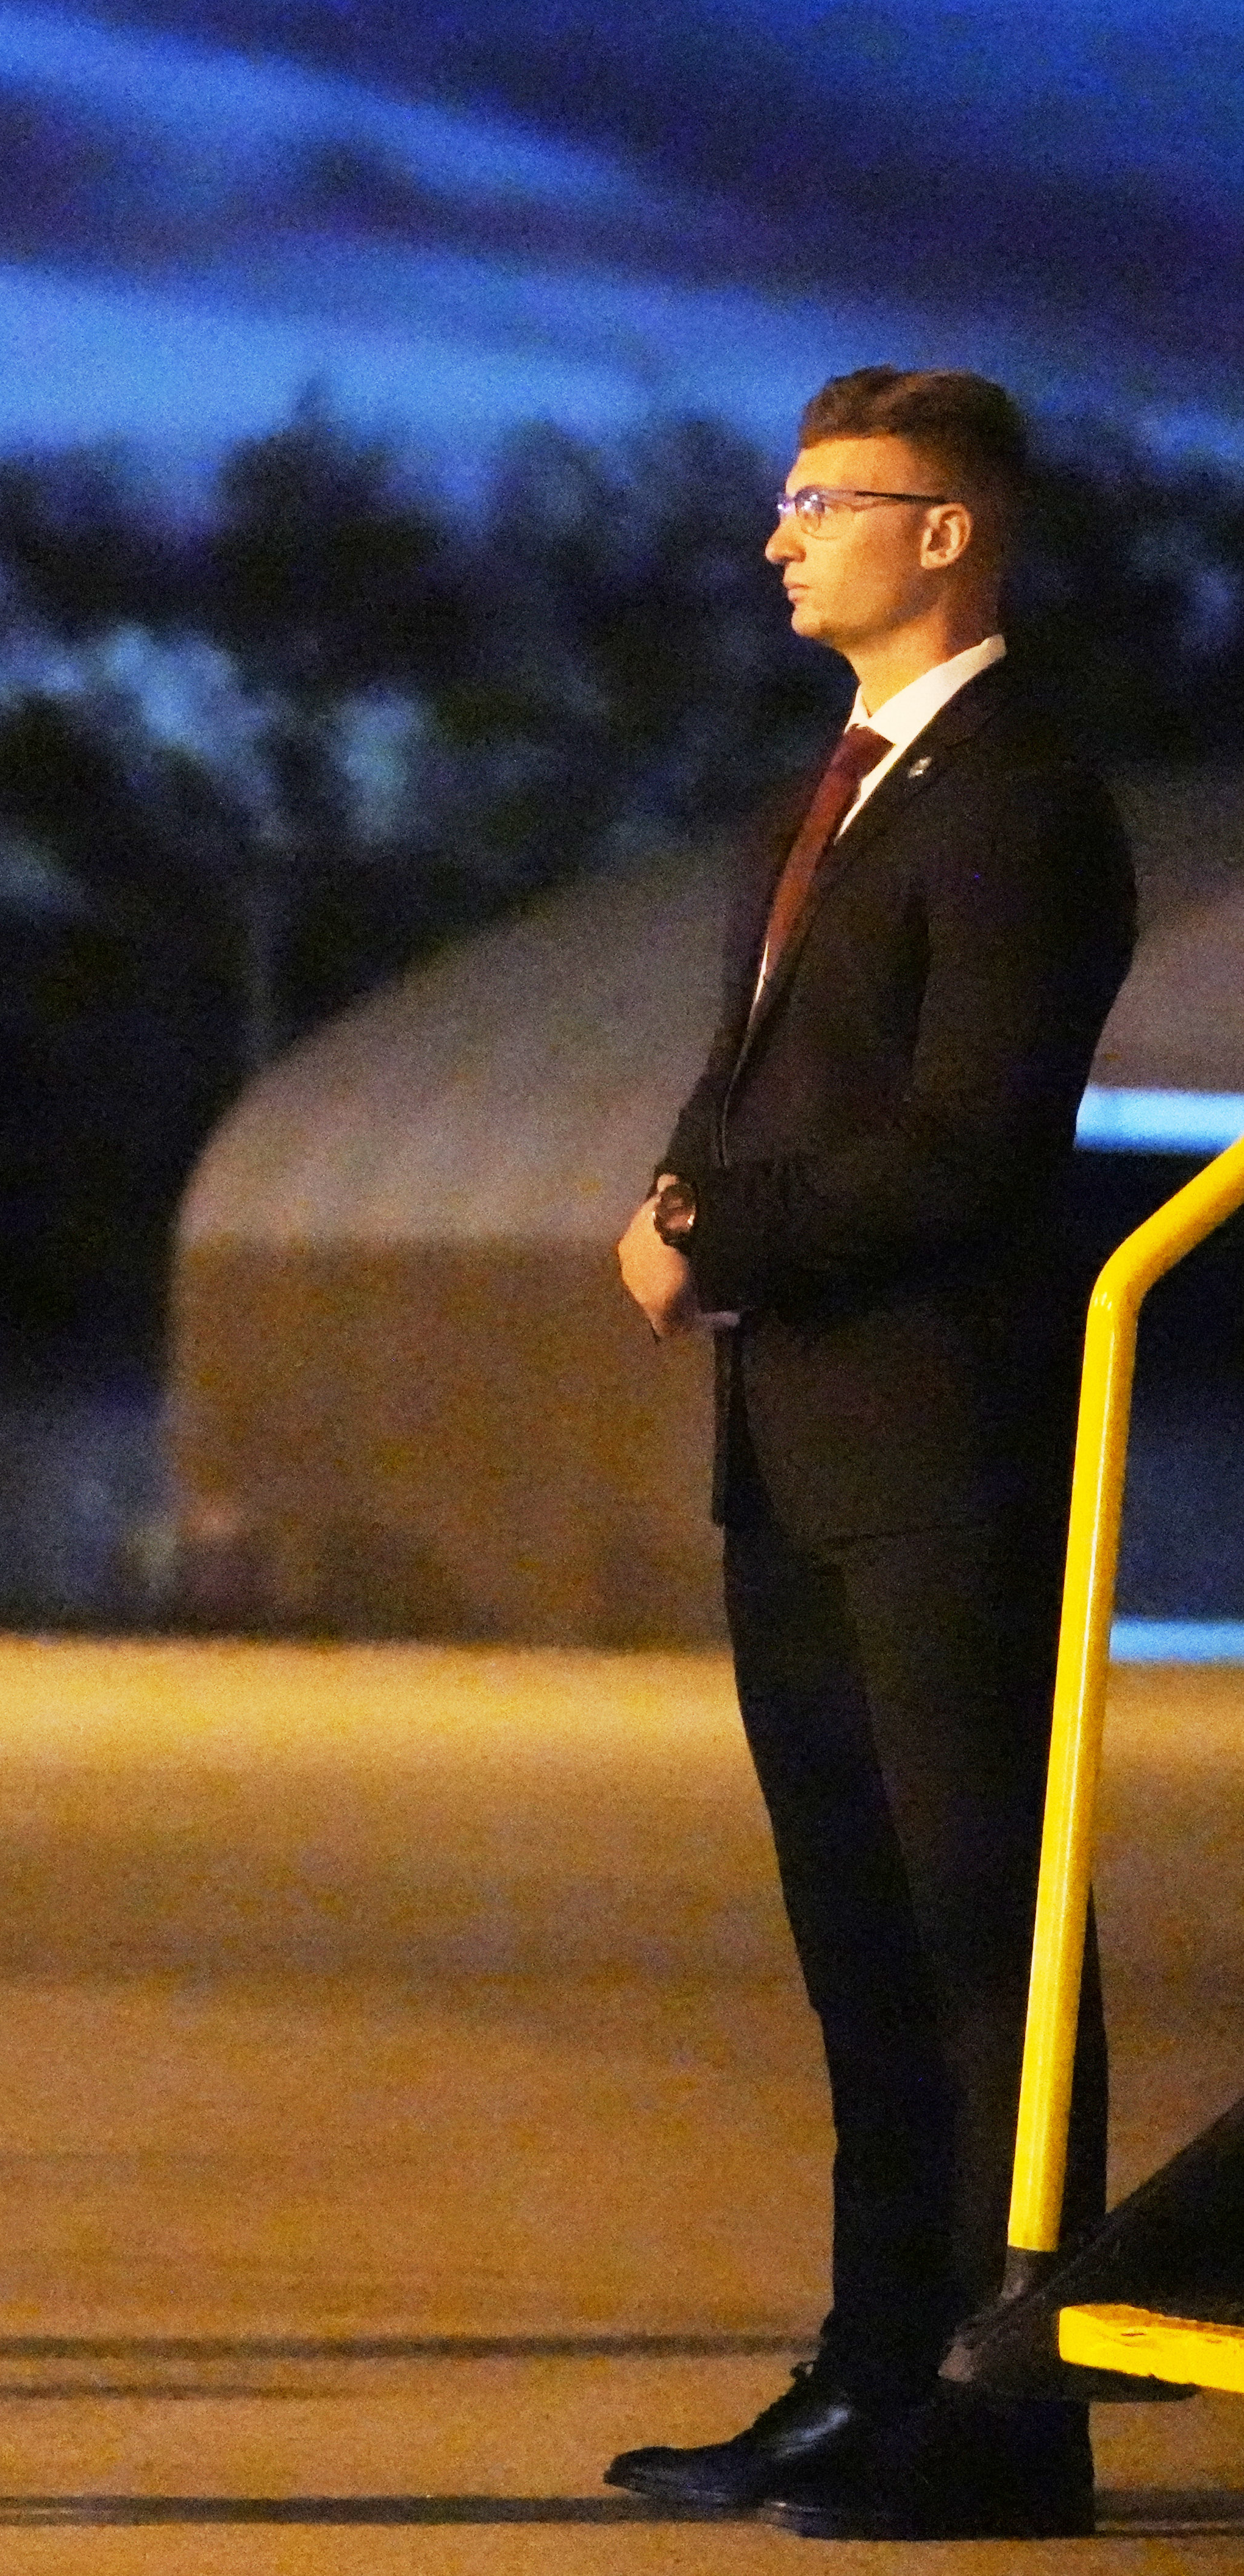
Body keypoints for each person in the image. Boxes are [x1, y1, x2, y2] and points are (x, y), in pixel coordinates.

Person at [607, 368, 1137, 2542]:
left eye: (825, 501)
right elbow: (752, 1083)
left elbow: (967, 1145)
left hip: (942, 1447)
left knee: (980, 1932)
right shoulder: (813, 800)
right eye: (785, 499)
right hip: (794, 1450)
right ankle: (866, 2366)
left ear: (947, 533)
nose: (779, 537)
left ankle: (1016, 2413)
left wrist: (711, 1231)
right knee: (861, 1942)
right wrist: (684, 1188)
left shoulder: (1022, 801)